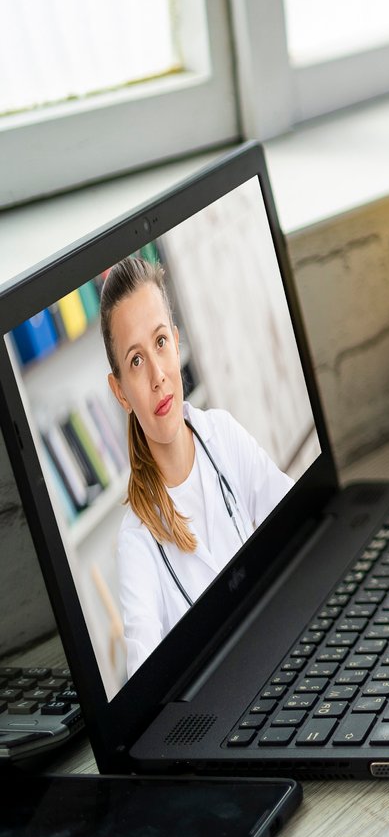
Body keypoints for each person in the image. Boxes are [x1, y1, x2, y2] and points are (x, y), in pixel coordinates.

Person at [101, 255, 294, 681]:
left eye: (160, 344)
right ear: (120, 392)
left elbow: (301, 525)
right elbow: (144, 678)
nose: (157, 376)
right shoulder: (136, 542)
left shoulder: (221, 434)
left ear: (175, 339)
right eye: (135, 361)